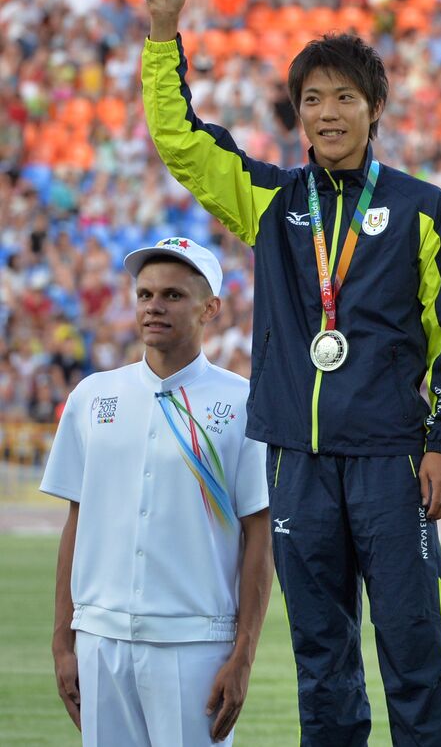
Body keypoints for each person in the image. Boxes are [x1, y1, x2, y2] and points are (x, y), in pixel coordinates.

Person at [138, 0, 441, 744]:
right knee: (321, 659)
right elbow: (181, 142)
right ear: (298, 112)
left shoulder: (421, 208)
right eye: (313, 99)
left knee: (415, 650)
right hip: (297, 460)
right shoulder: (271, 201)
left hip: (392, 460)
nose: (328, 113)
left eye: (344, 98)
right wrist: (163, 30)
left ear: (375, 108)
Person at [42, 237, 272, 745]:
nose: (154, 307)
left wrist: (243, 655)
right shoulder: (92, 396)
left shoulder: (245, 403)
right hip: (99, 641)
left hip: (195, 643)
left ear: (210, 308)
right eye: (145, 294)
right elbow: (76, 521)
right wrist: (63, 640)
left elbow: (261, 535)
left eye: (172, 295)